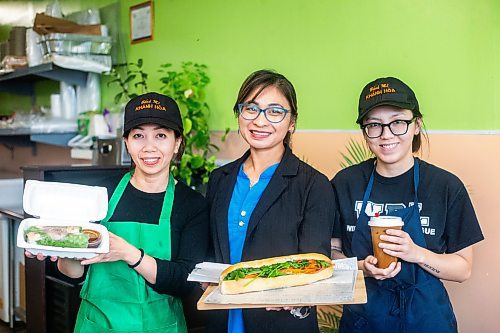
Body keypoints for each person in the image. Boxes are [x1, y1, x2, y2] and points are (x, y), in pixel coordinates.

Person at [27, 92, 209, 333]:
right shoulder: (99, 194)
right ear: (126, 142)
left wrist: (128, 253)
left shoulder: (192, 204)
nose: (149, 147)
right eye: (138, 136)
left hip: (161, 326)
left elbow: (185, 282)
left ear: (177, 143)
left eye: (161, 135)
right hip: (97, 324)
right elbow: (73, 274)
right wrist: (63, 250)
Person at [330, 77, 484, 333]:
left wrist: (416, 254)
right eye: (374, 125)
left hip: (427, 321)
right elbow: (331, 255)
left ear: (416, 125)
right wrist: (361, 269)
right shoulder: (345, 183)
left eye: (398, 122)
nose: (386, 134)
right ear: (365, 133)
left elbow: (463, 269)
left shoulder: (445, 186)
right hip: (364, 321)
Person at [206, 69, 335, 333]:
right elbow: (211, 252)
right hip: (222, 320)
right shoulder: (220, 179)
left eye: (275, 111)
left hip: (280, 325)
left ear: (292, 122)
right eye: (251, 109)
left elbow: (314, 264)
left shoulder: (312, 185)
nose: (260, 121)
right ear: (239, 114)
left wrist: (292, 298)